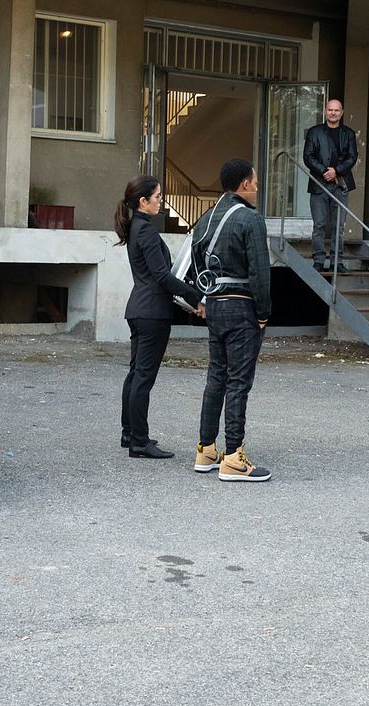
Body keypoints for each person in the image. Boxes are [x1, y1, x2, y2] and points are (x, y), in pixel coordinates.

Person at [191, 158, 272, 481]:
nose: (257, 186)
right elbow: (260, 272)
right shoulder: (250, 219)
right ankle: (234, 457)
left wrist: (205, 297)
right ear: (244, 185)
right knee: (239, 381)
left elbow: (197, 262)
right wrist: (263, 313)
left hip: (214, 303)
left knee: (217, 377)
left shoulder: (206, 218)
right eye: (254, 180)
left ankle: (206, 449)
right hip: (242, 306)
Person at [116, 175, 205, 459]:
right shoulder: (146, 232)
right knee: (143, 377)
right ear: (143, 201)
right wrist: (196, 297)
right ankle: (139, 441)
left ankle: (130, 433)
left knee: (136, 375)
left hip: (140, 309)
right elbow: (162, 276)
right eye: (157, 197)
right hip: (152, 312)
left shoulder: (136, 229)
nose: (161, 201)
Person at [303, 98, 358, 273]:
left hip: (340, 184)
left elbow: (352, 157)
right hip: (319, 184)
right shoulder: (314, 132)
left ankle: (336, 261)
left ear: (341, 113)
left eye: (336, 110)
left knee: (339, 226)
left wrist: (336, 171)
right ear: (325, 111)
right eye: (330, 110)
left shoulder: (348, 133)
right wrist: (324, 171)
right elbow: (308, 156)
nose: (333, 113)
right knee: (319, 224)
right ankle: (318, 260)